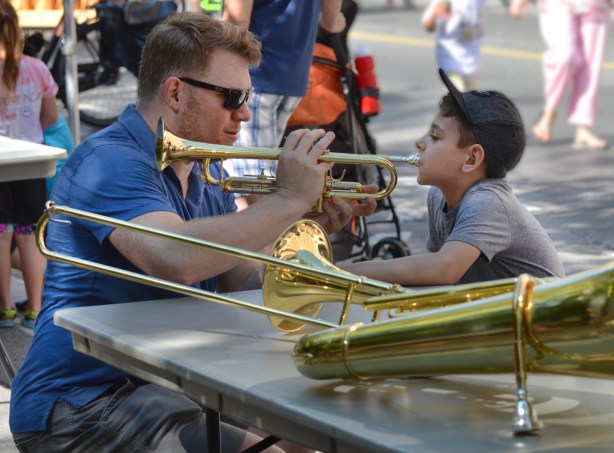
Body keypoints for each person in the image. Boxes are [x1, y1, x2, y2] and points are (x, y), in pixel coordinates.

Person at [9, 11, 376, 452]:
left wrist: (305, 228)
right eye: (232, 96)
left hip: (162, 384)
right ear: (176, 93)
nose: (244, 112)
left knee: (322, 433)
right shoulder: (108, 161)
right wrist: (289, 199)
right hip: (79, 404)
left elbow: (245, 281)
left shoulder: (204, 175)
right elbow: (177, 260)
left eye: (247, 95)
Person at [343, 69, 566, 286]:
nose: (419, 143)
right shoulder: (439, 195)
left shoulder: (488, 202)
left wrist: (343, 273)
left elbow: (443, 269)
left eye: (434, 136)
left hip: (543, 319)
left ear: (471, 159)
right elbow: (440, 282)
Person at [221, 0, 347, 210]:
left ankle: (262, 242)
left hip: (255, 75)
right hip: (293, 73)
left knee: (248, 187)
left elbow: (237, 20)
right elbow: (332, 22)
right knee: (259, 177)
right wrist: (333, 19)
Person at [0, 0, 59, 329]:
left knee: (1, 235)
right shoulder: (36, 68)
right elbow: (50, 116)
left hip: (0, 162)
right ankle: (36, 306)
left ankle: (5, 307)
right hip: (31, 160)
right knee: (29, 234)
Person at [509, 0, 611, 150]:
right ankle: (549, 113)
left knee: (590, 67)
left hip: (596, 5)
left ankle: (583, 128)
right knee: (564, 57)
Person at [421, 0, 487, 91]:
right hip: (450, 59)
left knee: (470, 98)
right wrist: (436, 13)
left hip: (471, 59)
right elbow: (428, 26)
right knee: (460, 95)